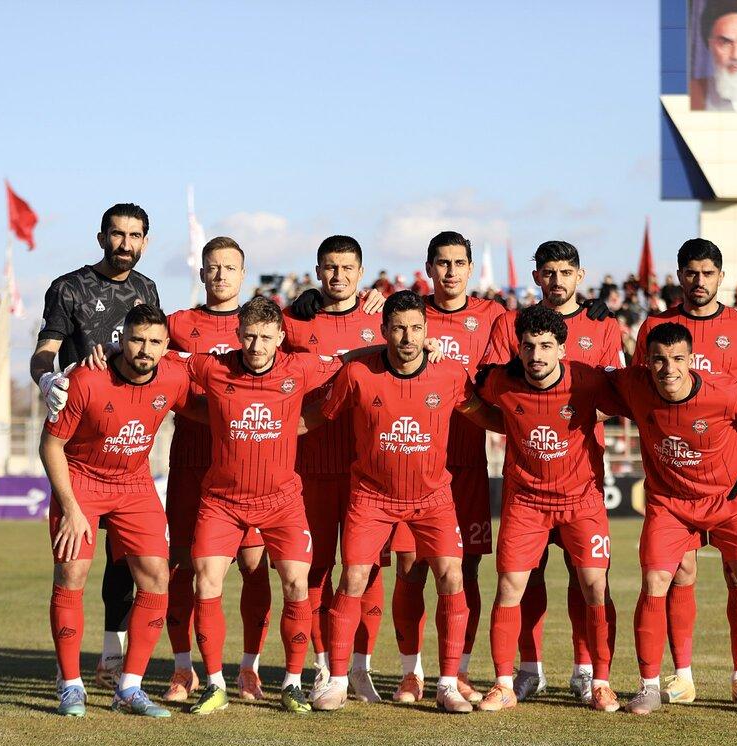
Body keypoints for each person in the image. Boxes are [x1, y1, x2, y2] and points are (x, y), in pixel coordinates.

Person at [306, 290, 503, 713]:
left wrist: (528, 422)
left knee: (452, 575)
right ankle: (337, 680)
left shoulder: (449, 373)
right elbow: (320, 416)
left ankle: (447, 684)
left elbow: (481, 414)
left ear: (427, 331)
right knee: (353, 578)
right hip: (372, 497)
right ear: (384, 331)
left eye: (415, 328)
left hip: (432, 497)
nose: (408, 337)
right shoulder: (358, 374)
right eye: (398, 328)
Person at [179, 297, 350, 715]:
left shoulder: (300, 368)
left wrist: (424, 349)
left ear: (280, 337)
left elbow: (350, 361)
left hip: (281, 502)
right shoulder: (213, 367)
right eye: (250, 336)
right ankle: (215, 684)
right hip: (222, 501)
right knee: (206, 583)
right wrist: (104, 354)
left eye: (266, 337)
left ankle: (292, 683)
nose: (257, 345)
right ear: (237, 334)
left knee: (296, 584)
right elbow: (163, 360)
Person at [608, 321, 737, 716]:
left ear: (691, 360)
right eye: (659, 360)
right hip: (670, 504)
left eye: (677, 359)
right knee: (655, 580)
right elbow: (585, 380)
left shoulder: (725, 393)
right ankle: (649, 687)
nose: (668, 368)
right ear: (646, 362)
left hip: (728, 500)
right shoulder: (633, 384)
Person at [632, 238, 737, 708]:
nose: (699, 281)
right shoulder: (655, 327)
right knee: (680, 572)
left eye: (708, 273)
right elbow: (640, 389)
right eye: (691, 272)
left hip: (730, 475)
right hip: (675, 477)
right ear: (679, 275)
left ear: (721, 276)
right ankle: (682, 675)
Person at [41, 304, 198, 718]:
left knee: (157, 577)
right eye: (136, 339)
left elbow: (213, 395)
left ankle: (129, 687)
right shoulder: (86, 378)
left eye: (154, 342)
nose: (144, 349)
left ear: (166, 346)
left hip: (133, 483)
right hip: (82, 480)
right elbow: (51, 445)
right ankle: (70, 685)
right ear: (120, 339)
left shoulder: (174, 376)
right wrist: (70, 508)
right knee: (72, 573)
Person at [484, 240, 624, 704]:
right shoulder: (509, 324)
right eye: (548, 272)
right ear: (536, 277)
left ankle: (589, 673)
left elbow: (618, 394)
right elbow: (487, 388)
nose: (557, 280)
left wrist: (569, 415)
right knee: (525, 579)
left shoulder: (603, 324)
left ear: (580, 275)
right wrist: (524, 421)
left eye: (566, 272)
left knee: (589, 580)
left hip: (582, 478)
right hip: (526, 485)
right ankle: (527, 670)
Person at [31, 203, 161, 691]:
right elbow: (45, 351)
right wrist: (47, 379)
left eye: (134, 235)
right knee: (74, 566)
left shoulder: (147, 288)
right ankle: (69, 674)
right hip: (80, 445)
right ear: (101, 237)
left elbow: (158, 350)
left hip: (128, 450)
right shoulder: (70, 287)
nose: (125, 243)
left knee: (127, 562)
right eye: (117, 234)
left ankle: (112, 656)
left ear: (145, 241)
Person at [389, 232, 505, 706]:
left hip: (468, 464)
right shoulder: (410, 316)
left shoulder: (494, 316)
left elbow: (522, 357)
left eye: (459, 263)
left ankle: (457, 672)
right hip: (413, 464)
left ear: (471, 267)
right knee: (410, 566)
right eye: (442, 263)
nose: (451, 271)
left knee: (465, 570)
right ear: (429, 267)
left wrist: (595, 309)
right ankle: (410, 673)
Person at [158, 237, 272, 704]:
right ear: (202, 272)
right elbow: (137, 350)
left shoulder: (264, 323)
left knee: (254, 566)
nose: (221, 274)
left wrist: (371, 299)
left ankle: (249, 668)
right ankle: (183, 668)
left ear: (243, 273)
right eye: (213, 266)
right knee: (182, 565)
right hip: (191, 460)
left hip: (248, 467)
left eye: (230, 267)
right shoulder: (178, 324)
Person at [280, 236, 389, 700]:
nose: (338, 275)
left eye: (347, 267)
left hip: (370, 472)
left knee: (367, 570)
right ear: (318, 270)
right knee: (316, 570)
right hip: (310, 467)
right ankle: (325, 665)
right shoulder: (294, 321)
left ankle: (361, 666)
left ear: (361, 272)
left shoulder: (381, 320)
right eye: (330, 267)